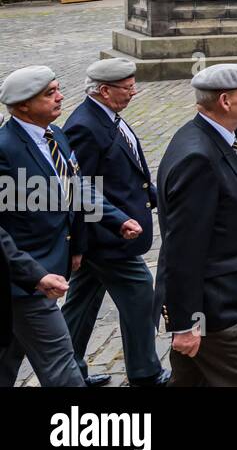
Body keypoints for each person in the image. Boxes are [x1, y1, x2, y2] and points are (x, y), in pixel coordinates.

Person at [1, 67, 137, 387]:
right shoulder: (5, 149)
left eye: (58, 89)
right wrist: (34, 274)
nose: (61, 96)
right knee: (62, 366)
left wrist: (114, 220)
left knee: (7, 359)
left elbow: (74, 186)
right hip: (26, 279)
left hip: (49, 266)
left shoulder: (55, 134)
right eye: (49, 93)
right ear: (22, 106)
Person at [156, 64, 237, 386]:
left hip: (224, 293)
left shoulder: (216, 139)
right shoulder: (197, 158)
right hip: (211, 308)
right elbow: (183, 247)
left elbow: (236, 208)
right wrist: (186, 323)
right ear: (226, 101)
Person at [61, 59, 168, 387]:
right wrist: (82, 243)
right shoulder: (83, 126)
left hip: (106, 237)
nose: (134, 92)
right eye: (128, 87)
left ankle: (68, 372)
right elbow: (77, 192)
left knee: (80, 306)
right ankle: (145, 372)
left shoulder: (105, 118)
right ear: (105, 91)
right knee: (139, 294)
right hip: (106, 238)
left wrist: (152, 193)